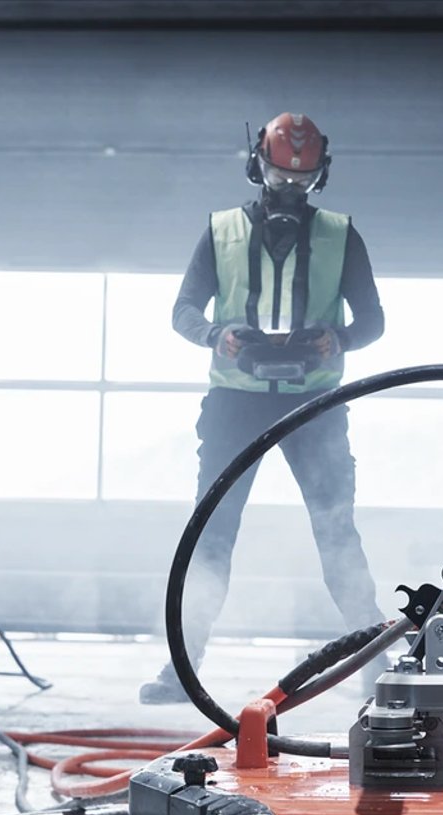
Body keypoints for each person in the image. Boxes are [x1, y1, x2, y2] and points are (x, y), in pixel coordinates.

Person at [139, 112, 387, 704]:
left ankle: (377, 660)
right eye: (279, 175)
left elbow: (373, 322)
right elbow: (182, 312)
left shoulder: (340, 233)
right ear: (258, 165)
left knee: (336, 534)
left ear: (319, 177)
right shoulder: (221, 231)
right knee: (212, 534)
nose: (288, 190)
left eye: (300, 181)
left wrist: (340, 339)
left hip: (316, 405)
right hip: (235, 404)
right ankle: (182, 670)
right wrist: (215, 335)